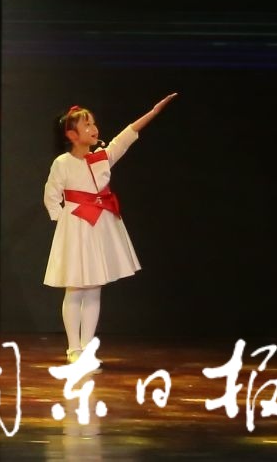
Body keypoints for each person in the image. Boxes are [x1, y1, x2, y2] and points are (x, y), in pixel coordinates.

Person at [44, 93, 176, 361]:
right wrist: (65, 224)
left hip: (98, 227)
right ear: (71, 135)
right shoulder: (62, 163)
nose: (94, 128)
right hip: (76, 227)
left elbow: (126, 136)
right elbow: (51, 196)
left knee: (94, 288)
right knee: (75, 287)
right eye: (87, 125)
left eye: (93, 123)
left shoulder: (102, 157)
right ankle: (73, 348)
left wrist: (153, 112)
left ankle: (87, 348)